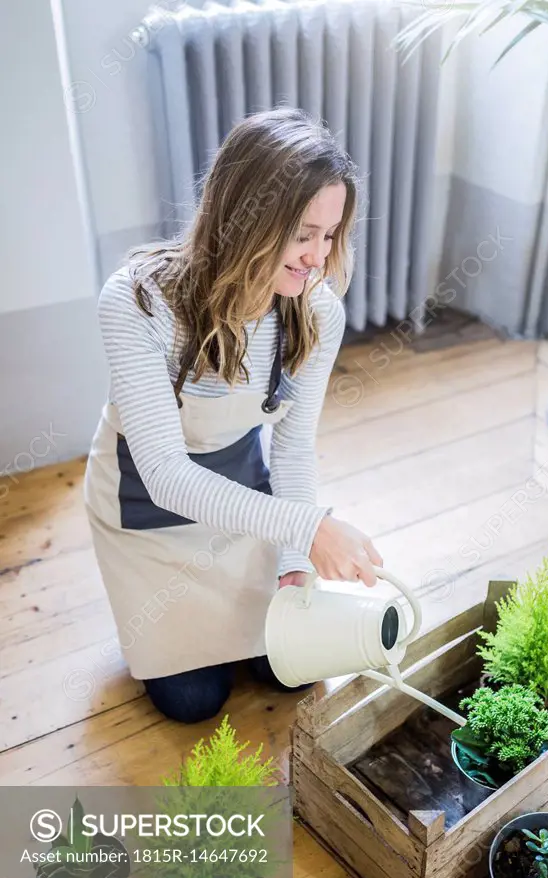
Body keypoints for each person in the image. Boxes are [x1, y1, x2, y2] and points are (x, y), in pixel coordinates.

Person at [84, 107, 383, 724]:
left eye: (330, 235)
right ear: (245, 217)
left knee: (289, 672)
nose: (318, 258)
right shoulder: (138, 301)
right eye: (303, 234)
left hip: (242, 496)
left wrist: (298, 562)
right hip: (147, 506)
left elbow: (293, 450)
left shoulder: (317, 313)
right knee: (195, 702)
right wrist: (310, 529)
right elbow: (165, 473)